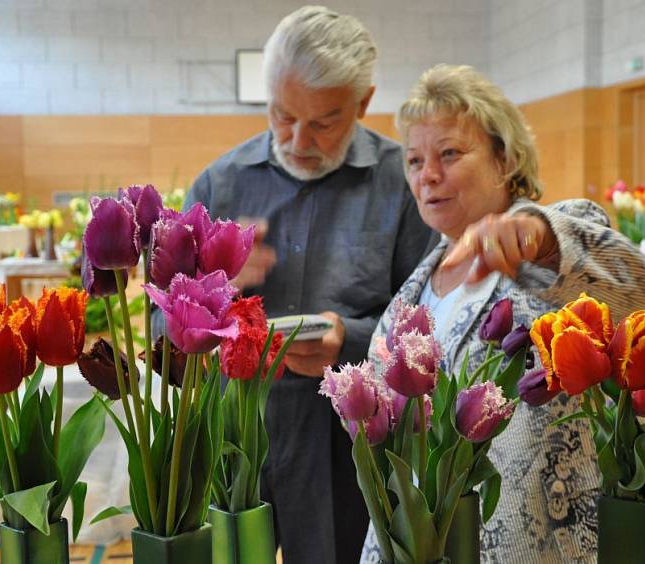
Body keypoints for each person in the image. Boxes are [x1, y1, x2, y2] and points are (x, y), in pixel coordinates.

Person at [358, 64, 645, 563]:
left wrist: (535, 238)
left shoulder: (551, 238)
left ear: (505, 158)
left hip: (534, 543)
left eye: (449, 153)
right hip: (424, 544)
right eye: (413, 160)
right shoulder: (417, 285)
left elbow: (632, 282)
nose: (427, 174)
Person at [178, 6, 435, 564]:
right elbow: (162, 327)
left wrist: (352, 340)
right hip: (234, 431)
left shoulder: (405, 182)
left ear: (364, 103)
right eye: (281, 114)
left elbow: (433, 321)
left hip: (348, 440)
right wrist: (209, 300)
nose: (297, 139)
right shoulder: (219, 185)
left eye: (323, 122)